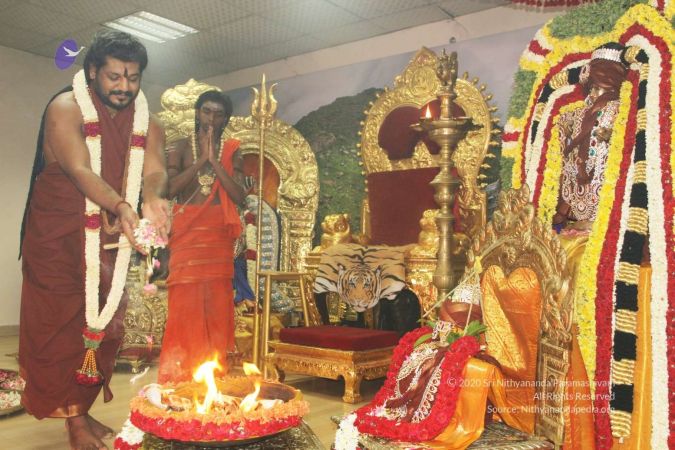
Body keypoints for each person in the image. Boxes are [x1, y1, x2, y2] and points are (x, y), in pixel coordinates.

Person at [19, 30, 170, 450]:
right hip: (58, 237)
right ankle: (73, 421)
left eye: (133, 78)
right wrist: (122, 207)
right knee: (59, 326)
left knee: (104, 323)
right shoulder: (66, 107)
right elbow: (79, 169)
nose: (124, 86)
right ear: (92, 72)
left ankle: (80, 409)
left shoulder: (147, 121)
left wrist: (153, 199)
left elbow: (155, 170)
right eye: (114, 77)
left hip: (109, 237)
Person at [158, 90, 245, 383]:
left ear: (225, 119)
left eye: (218, 114)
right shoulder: (180, 147)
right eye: (206, 111)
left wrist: (215, 162)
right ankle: (180, 373)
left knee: (217, 304)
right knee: (185, 303)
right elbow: (169, 189)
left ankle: (213, 373)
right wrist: (200, 161)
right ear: (198, 113)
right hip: (188, 232)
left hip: (217, 234)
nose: (211, 118)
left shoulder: (233, 150)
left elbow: (239, 195)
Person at [553, 43, 627, 232]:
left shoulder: (621, 110)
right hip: (578, 189)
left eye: (596, 87)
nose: (592, 93)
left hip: (606, 192)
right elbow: (563, 141)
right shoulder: (580, 112)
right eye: (591, 86)